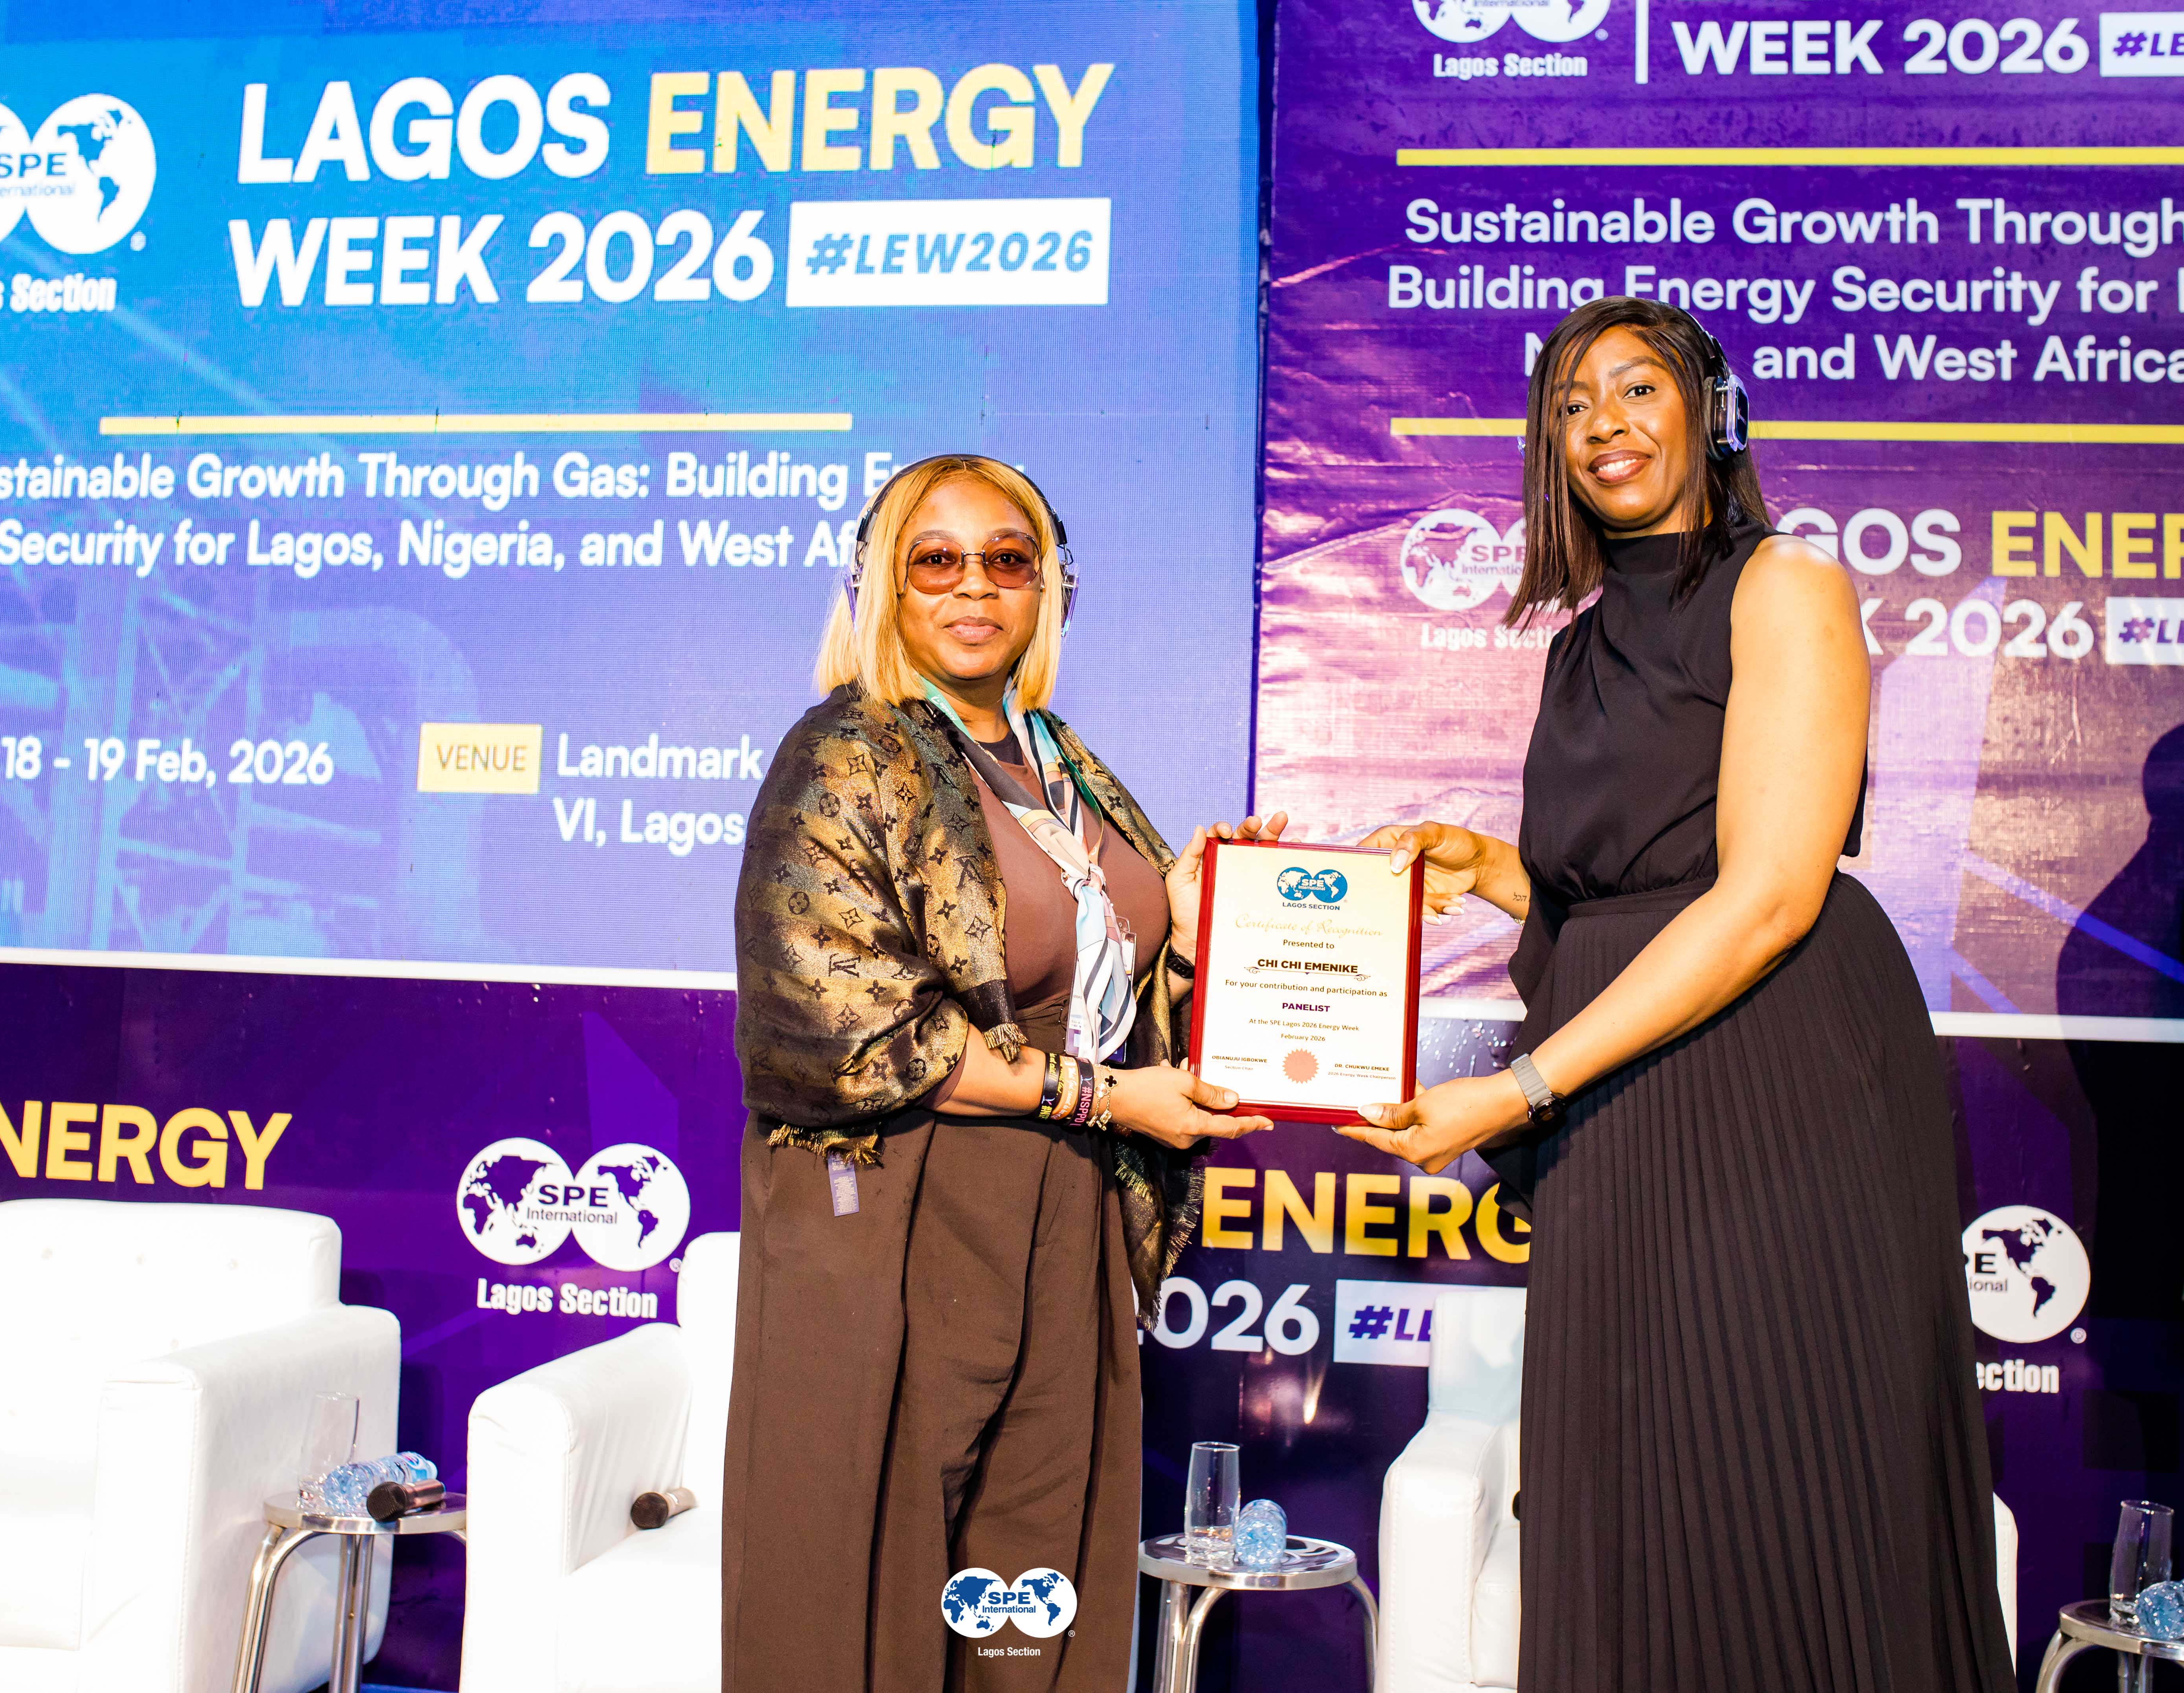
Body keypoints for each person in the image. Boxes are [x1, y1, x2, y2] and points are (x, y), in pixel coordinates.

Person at [1341, 299, 2015, 1692]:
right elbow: (1624, 896)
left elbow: (1766, 896)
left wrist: (1518, 1089)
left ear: (1712, 413)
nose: (1603, 424)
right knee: (1634, 1474)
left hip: (1779, 1080)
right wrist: (1489, 871)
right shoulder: (1576, 646)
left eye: (1637, 389)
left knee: (1788, 1461)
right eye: (1571, 403)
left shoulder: (1784, 584)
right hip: (1627, 1098)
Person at [723, 454, 1271, 1692]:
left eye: (1007, 560)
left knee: (1033, 1575)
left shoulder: (1052, 756)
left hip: (1063, 1204)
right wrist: (1102, 1098)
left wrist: (1188, 925)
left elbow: (1094, 983)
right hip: (898, 1204)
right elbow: (847, 1022)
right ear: (884, 584)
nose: (975, 587)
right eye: (937, 560)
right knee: (862, 1574)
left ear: (1048, 587)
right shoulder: (846, 751)